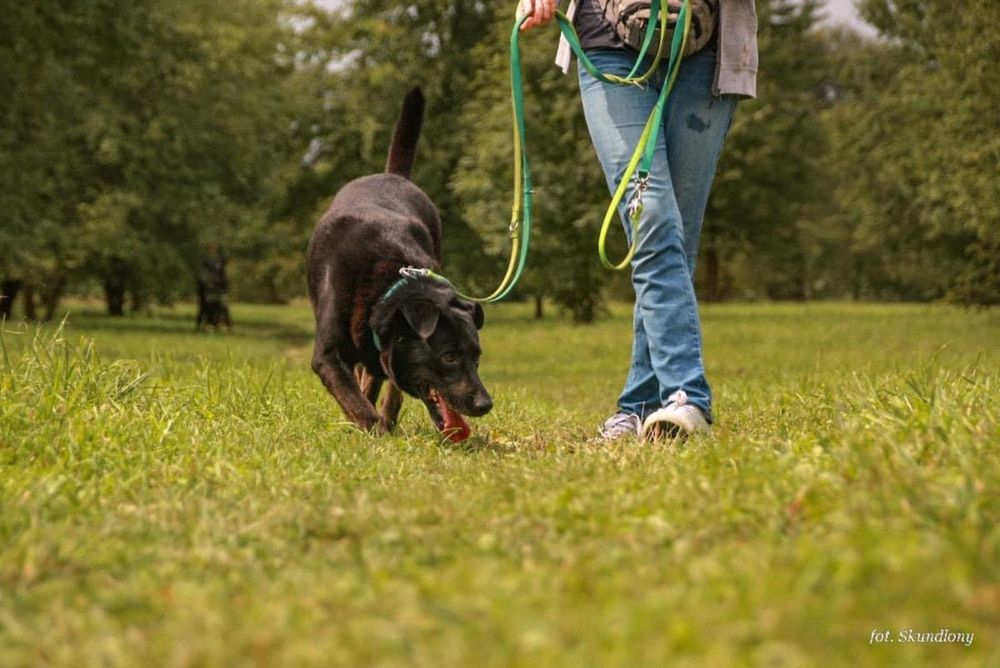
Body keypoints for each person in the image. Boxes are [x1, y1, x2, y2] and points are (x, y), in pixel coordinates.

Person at [518, 0, 758, 440]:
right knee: (653, 222)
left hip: (706, 46)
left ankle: (639, 407)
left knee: (674, 240)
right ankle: (686, 397)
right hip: (607, 42)